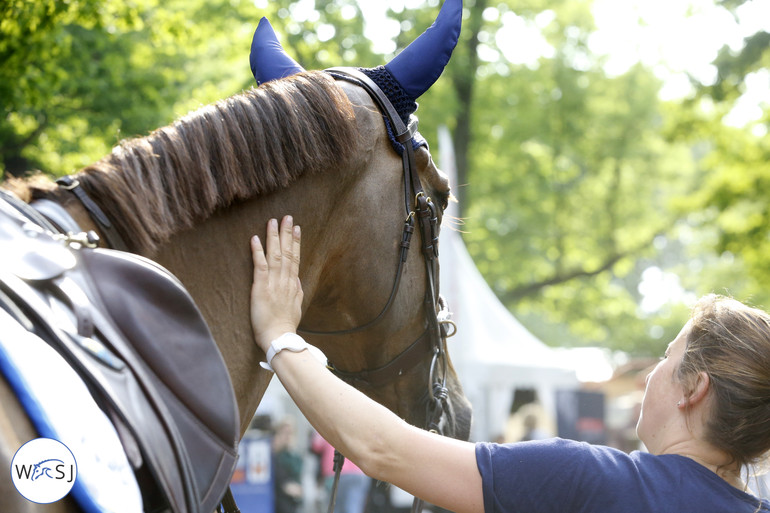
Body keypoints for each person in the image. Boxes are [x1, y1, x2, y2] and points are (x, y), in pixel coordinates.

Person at [250, 216, 770, 513]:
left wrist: (279, 337)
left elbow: (384, 450)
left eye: (666, 356)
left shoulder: (594, 479)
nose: (651, 372)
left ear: (694, 388)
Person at [310, 431, 371, 513]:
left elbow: (316, 445)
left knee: (335, 507)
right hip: (359, 472)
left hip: (336, 473)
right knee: (353, 507)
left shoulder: (327, 427)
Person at [272, 418, 304, 513]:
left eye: (290, 433)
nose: (288, 436)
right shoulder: (274, 455)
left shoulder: (295, 456)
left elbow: (298, 476)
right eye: (285, 433)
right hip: (277, 500)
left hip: (291, 502)